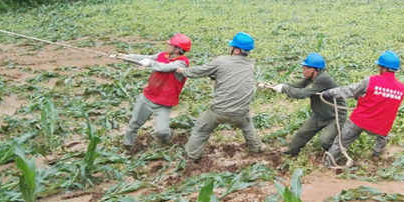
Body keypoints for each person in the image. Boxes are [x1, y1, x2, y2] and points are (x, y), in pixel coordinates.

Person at [175, 32, 264, 161]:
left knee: (201, 129)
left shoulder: (221, 61)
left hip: (219, 111)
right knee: (246, 124)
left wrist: (182, 71)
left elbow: (197, 72)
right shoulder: (250, 65)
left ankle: (191, 156)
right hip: (241, 112)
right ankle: (256, 147)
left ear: (237, 50)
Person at [322, 51, 404, 168]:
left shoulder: (371, 80)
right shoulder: (401, 88)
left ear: (383, 68)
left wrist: (330, 92)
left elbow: (350, 90)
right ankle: (376, 154)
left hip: (360, 120)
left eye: (379, 66)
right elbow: (385, 102)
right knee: (383, 134)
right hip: (381, 126)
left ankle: (329, 163)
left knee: (341, 141)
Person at [111, 34, 192, 149]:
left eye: (170, 44)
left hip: (163, 103)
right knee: (133, 125)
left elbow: (165, 67)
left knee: (162, 131)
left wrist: (150, 63)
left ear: (177, 49)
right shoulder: (162, 55)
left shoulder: (181, 63)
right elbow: (142, 58)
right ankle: (128, 146)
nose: (167, 45)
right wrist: (123, 56)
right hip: (147, 97)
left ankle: (167, 141)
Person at [259, 53, 347, 157]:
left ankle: (336, 155)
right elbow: (295, 86)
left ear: (312, 70)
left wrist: (284, 89)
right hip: (321, 114)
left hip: (335, 115)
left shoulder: (323, 79)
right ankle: (291, 152)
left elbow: (302, 93)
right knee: (302, 133)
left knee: (325, 140)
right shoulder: (311, 79)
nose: (303, 71)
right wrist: (274, 87)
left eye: (304, 68)